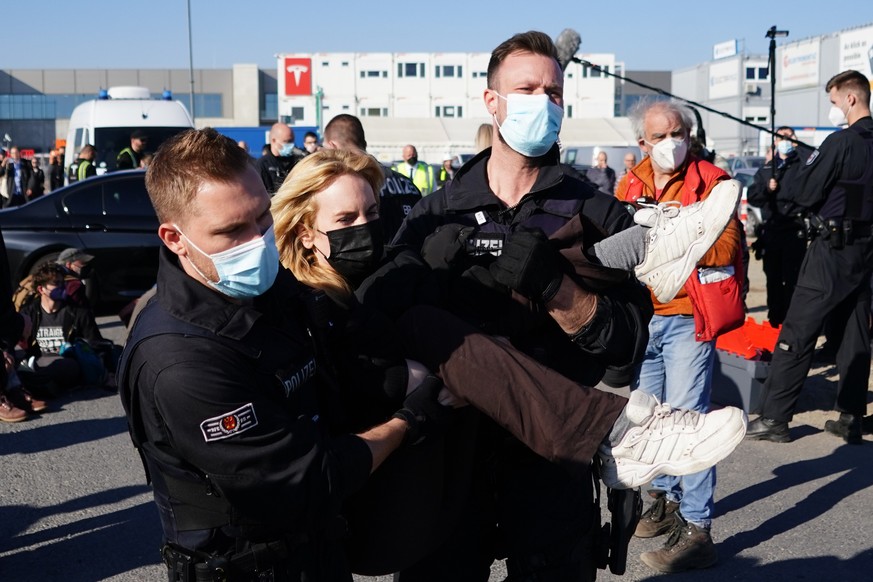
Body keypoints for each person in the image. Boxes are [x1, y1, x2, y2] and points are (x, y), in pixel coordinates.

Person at [272, 148, 746, 574]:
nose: (365, 227)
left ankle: (647, 250)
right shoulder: (306, 303)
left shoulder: (387, 265)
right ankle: (611, 432)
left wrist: (508, 266)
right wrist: (416, 402)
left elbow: (623, 345)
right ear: (307, 233)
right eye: (346, 219)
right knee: (432, 320)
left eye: (372, 212)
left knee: (519, 261)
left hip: (535, 478)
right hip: (416, 486)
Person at [392, 31, 744, 581]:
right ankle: (649, 257)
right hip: (451, 457)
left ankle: (648, 248)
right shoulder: (436, 212)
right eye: (527, 89)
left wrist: (558, 291)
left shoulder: (596, 206)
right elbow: (390, 320)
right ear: (492, 101)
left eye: (553, 93)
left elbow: (626, 349)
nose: (544, 103)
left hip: (554, 467)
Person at [118, 128, 453, 582]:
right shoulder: (180, 361)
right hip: (247, 568)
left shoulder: (272, 289)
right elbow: (307, 481)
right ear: (175, 239)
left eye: (261, 219)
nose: (256, 241)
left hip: (318, 551)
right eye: (231, 231)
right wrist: (409, 421)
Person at [616, 99, 742, 573]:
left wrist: (671, 241)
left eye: (679, 133)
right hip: (644, 318)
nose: (672, 143)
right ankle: (665, 500)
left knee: (691, 422)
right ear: (642, 142)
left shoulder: (712, 180)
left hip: (690, 317)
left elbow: (726, 243)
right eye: (661, 136)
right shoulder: (631, 182)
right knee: (649, 419)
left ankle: (697, 527)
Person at [746, 70, 873, 446]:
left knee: (798, 331)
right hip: (865, 253)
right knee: (855, 333)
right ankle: (851, 416)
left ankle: (775, 418)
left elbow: (803, 191)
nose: (833, 108)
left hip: (830, 251)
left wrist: (800, 166)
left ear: (850, 99)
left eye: (833, 101)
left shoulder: (840, 142)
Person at [322, 114, 422, 242]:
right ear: (364, 143)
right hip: (412, 257)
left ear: (332, 146)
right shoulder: (407, 184)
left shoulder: (349, 186)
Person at [747, 126, 810, 327]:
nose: (785, 140)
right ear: (774, 142)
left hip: (794, 230)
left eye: (789, 137)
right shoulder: (767, 169)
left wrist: (798, 146)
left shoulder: (802, 165)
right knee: (773, 279)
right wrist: (767, 188)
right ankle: (775, 319)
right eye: (780, 137)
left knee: (793, 279)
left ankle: (792, 322)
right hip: (772, 231)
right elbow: (753, 196)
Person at [18, 262, 106, 396]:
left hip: (67, 363)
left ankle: (33, 384)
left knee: (66, 366)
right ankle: (41, 386)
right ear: (41, 289)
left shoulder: (77, 312)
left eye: (62, 282)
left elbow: (95, 341)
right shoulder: (30, 313)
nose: (62, 287)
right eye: (56, 283)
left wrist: (107, 372)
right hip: (37, 361)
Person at [256, 122, 304, 194]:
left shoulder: (296, 161)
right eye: (287, 141)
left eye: (292, 141)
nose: (291, 145)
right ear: (273, 141)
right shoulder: (262, 164)